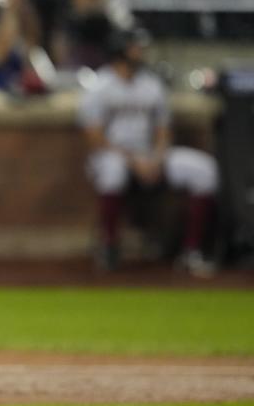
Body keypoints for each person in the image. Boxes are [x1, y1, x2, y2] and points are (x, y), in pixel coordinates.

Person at [78, 28, 219, 277]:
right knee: (113, 171)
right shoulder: (100, 87)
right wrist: (135, 162)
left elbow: (163, 131)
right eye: (135, 47)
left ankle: (191, 252)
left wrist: (156, 157)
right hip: (114, 155)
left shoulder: (151, 84)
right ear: (120, 51)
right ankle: (109, 246)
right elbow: (96, 139)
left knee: (204, 170)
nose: (140, 52)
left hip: (150, 155)